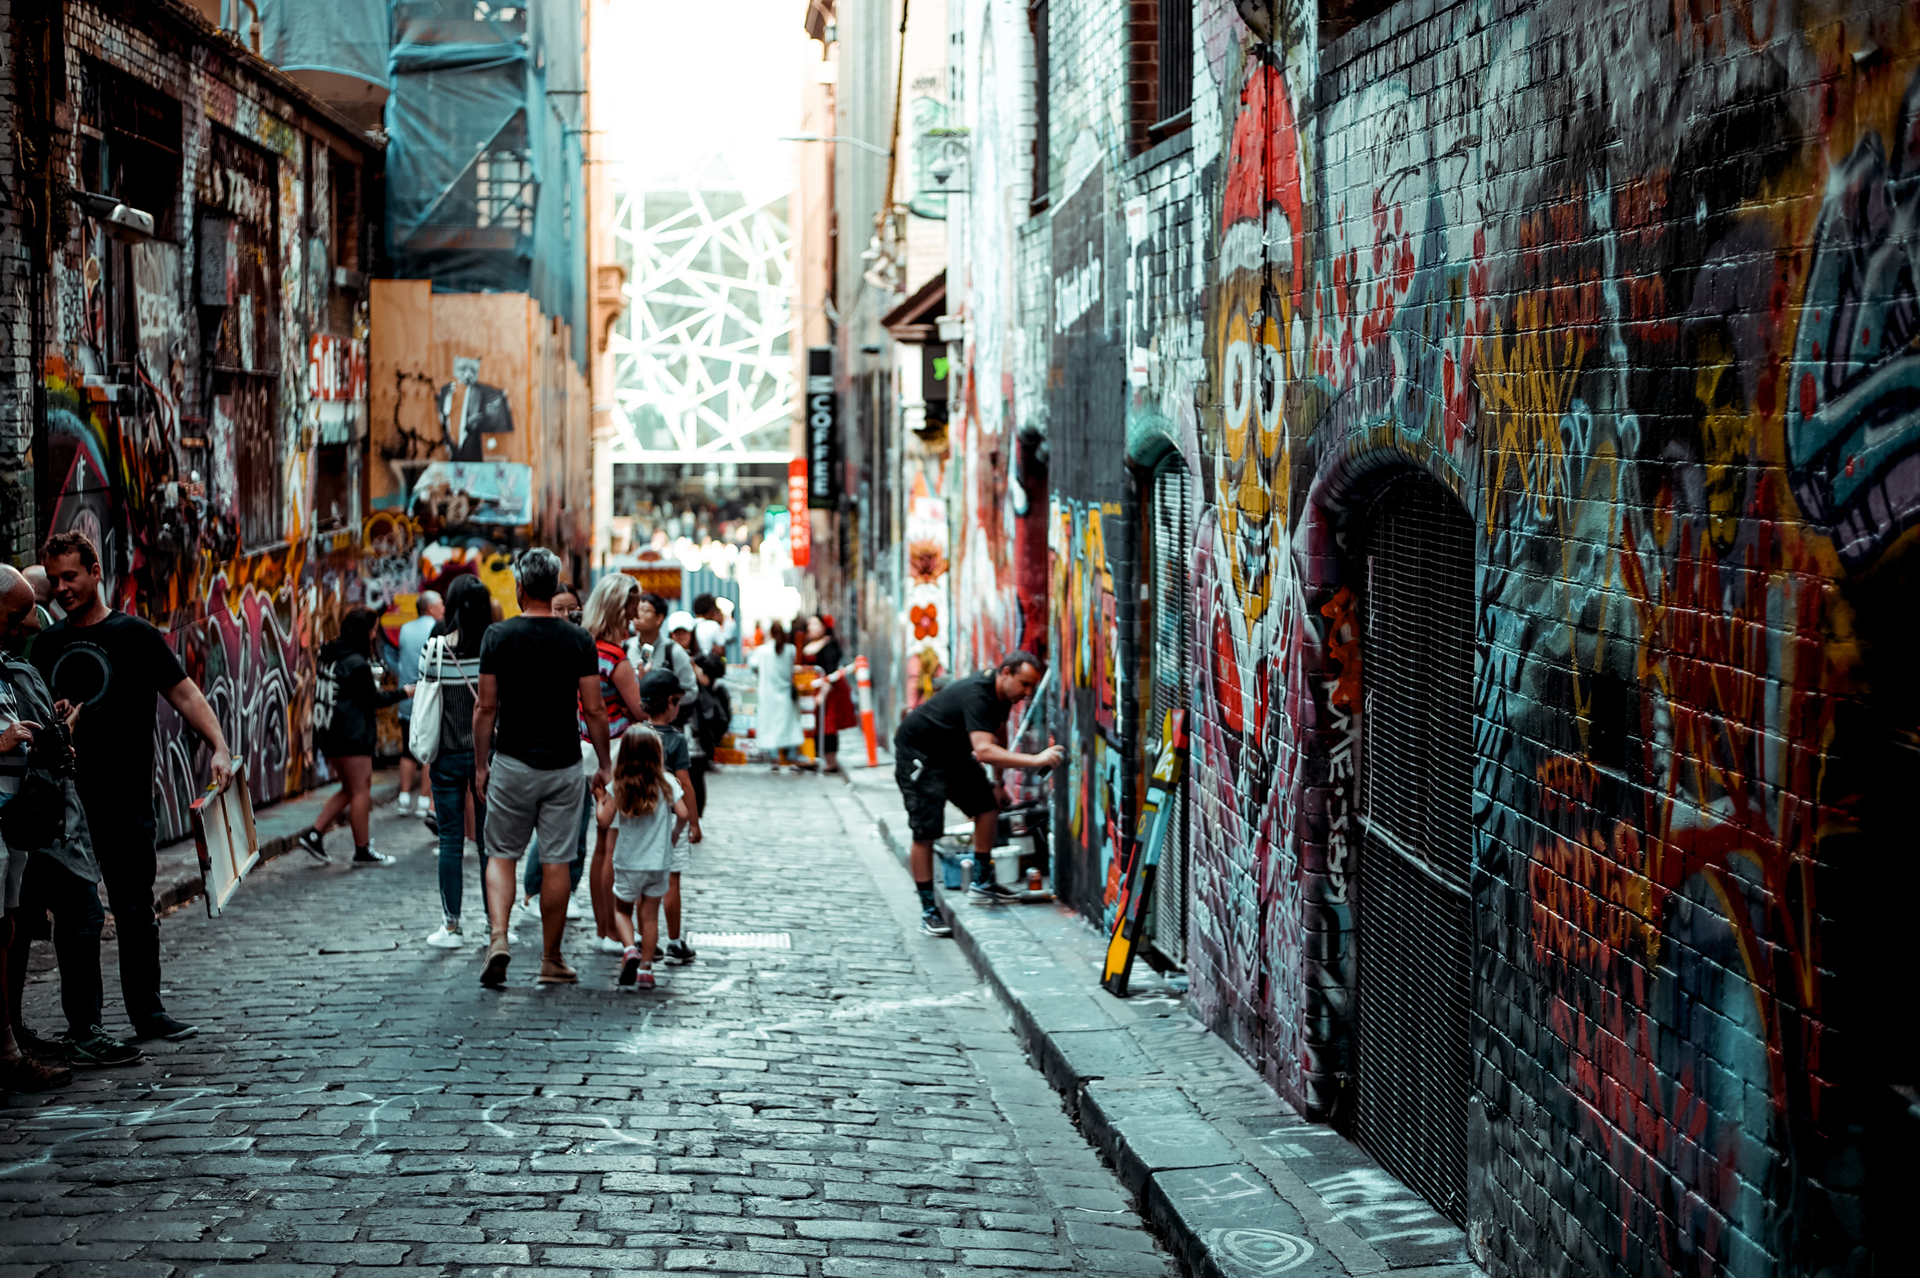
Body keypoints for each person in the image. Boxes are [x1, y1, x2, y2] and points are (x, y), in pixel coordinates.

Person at [36, 529, 232, 1042]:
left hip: (125, 798)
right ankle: (87, 1026)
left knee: (134, 908)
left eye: (71, 576)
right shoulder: (47, 644)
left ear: (96, 572)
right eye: (54, 580)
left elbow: (185, 694)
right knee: (76, 918)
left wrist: (220, 747)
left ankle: (148, 1013)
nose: (62, 588)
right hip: (66, 804)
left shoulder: (135, 635)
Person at [471, 548, 611, 987]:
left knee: (501, 855)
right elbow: (594, 709)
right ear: (553, 588)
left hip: (512, 761)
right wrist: (604, 764)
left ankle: (498, 937)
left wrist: (480, 764)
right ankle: (551, 959)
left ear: (520, 587)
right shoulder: (578, 639)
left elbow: (486, 708)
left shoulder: (498, 636)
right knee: (556, 862)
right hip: (565, 765)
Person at [893, 651, 1063, 937]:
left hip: (954, 755)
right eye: (1024, 684)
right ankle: (928, 911)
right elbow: (984, 750)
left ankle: (982, 883)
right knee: (925, 834)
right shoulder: (978, 694)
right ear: (1005, 672)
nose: (1027, 692)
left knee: (987, 807)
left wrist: (998, 784)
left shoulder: (1003, 697)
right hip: (920, 756)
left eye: (1031, 686)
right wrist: (1036, 759)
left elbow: (997, 735)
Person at [0, 565, 88, 1085]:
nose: (22, 630)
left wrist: (52, 734)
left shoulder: (8, 667)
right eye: (14, 619)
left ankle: (8, 1040)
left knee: (7, 930)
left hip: (12, 824)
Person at [529, 573, 645, 951]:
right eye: (632, 605)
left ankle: (605, 928)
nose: (636, 613)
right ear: (619, 606)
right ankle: (613, 928)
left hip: (581, 748)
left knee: (597, 844)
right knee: (612, 845)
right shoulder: (615, 656)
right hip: (613, 752)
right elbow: (640, 711)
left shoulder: (583, 645)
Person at [298, 607, 409, 866]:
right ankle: (362, 849)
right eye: (373, 629)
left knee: (349, 789)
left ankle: (314, 834)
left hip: (329, 733)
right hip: (352, 736)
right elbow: (372, 700)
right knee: (361, 791)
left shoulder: (330, 654)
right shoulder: (357, 664)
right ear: (365, 631)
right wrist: (404, 693)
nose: (375, 635)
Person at [417, 577, 492, 948]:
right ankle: (496, 927)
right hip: (488, 758)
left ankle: (451, 926)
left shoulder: (435, 650)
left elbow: (427, 695)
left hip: (445, 755)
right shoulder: (495, 648)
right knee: (488, 844)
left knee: (450, 841)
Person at [595, 724, 689, 991]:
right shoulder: (668, 783)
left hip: (628, 863)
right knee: (649, 917)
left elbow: (603, 821)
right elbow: (683, 814)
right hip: (659, 863)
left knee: (621, 910)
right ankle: (646, 970)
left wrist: (601, 797)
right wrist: (673, 835)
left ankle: (629, 949)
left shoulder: (618, 785)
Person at [638, 669, 700, 966]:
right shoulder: (676, 741)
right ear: (673, 702)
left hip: (639, 821)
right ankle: (674, 942)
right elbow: (685, 784)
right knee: (671, 881)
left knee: (641, 880)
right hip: (669, 823)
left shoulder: (635, 736)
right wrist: (695, 822)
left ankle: (642, 938)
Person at [394, 591, 444, 817]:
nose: (443, 608)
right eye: (441, 604)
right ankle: (425, 800)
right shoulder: (436, 629)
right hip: (427, 697)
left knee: (407, 747)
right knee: (428, 749)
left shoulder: (405, 629)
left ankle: (403, 797)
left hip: (407, 696)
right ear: (431, 608)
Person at [803, 615, 856, 775]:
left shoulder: (830, 645)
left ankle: (830, 760)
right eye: (809, 624)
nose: (810, 627)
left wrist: (823, 694)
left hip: (828, 692)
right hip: (810, 691)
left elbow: (830, 672)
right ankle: (810, 756)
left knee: (828, 726)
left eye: (814, 624)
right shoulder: (807, 644)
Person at [752, 622, 804, 772]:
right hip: (786, 692)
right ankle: (792, 756)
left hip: (768, 694)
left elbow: (753, 665)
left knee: (771, 725)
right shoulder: (790, 650)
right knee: (790, 724)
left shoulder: (762, 651)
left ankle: (774, 758)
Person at [630, 592, 697, 704]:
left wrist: (662, 704)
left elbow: (691, 692)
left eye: (645, 610)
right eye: (636, 609)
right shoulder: (626, 647)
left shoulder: (674, 652)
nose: (638, 615)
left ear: (659, 618)